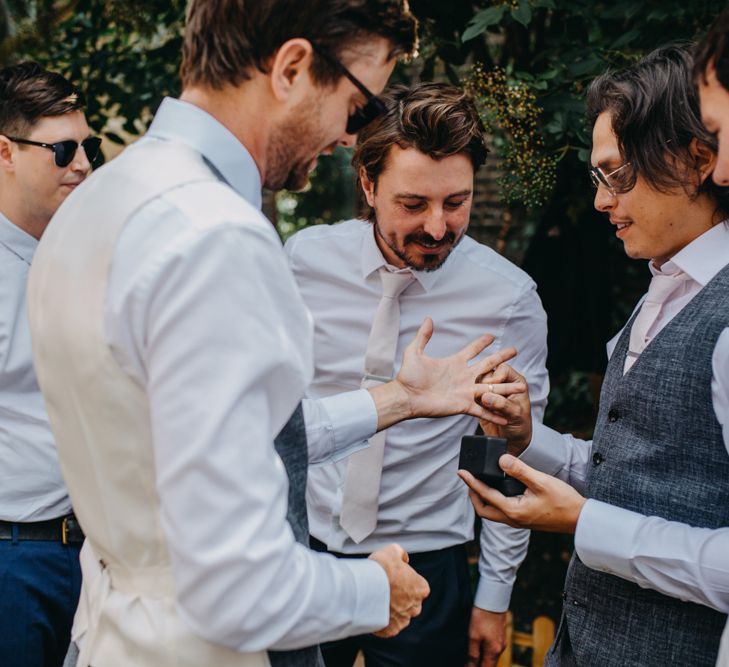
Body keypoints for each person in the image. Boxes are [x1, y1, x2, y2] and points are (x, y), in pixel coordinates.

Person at [25, 2, 516, 667]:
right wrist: (377, 589)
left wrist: (399, 397)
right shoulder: (217, 237)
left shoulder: (101, 199)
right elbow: (238, 585)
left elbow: (200, 442)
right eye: (359, 104)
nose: (350, 137)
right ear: (291, 68)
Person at [458, 45, 729, 667]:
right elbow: (630, 472)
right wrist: (530, 440)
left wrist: (586, 526)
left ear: (697, 159)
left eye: (618, 174)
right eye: (597, 178)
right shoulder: (662, 286)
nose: (603, 201)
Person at [284, 82, 549, 667]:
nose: (437, 227)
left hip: (430, 566)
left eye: (457, 202)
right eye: (413, 204)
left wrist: (494, 595)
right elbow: (275, 416)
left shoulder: (509, 300)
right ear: (368, 184)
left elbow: (510, 458)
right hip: (305, 554)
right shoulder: (302, 262)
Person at [0, 61, 97, 667]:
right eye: (62, 150)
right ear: (4, 152)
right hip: (12, 561)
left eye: (90, 146)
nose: (83, 165)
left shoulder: (89, 256)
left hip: (96, 554)